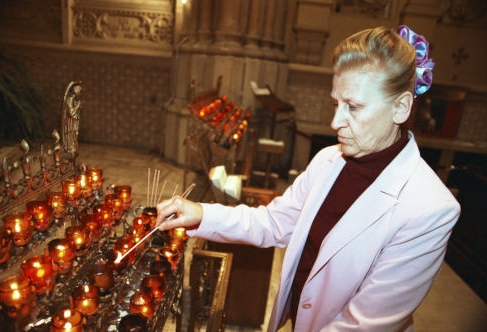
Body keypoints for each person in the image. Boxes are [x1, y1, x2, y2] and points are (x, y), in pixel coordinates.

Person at [155, 26, 460, 332]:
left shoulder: (430, 208)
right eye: (335, 104)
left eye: (353, 107)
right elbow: (276, 222)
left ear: (401, 108)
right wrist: (200, 213)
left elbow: (365, 324)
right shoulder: (328, 160)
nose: (335, 122)